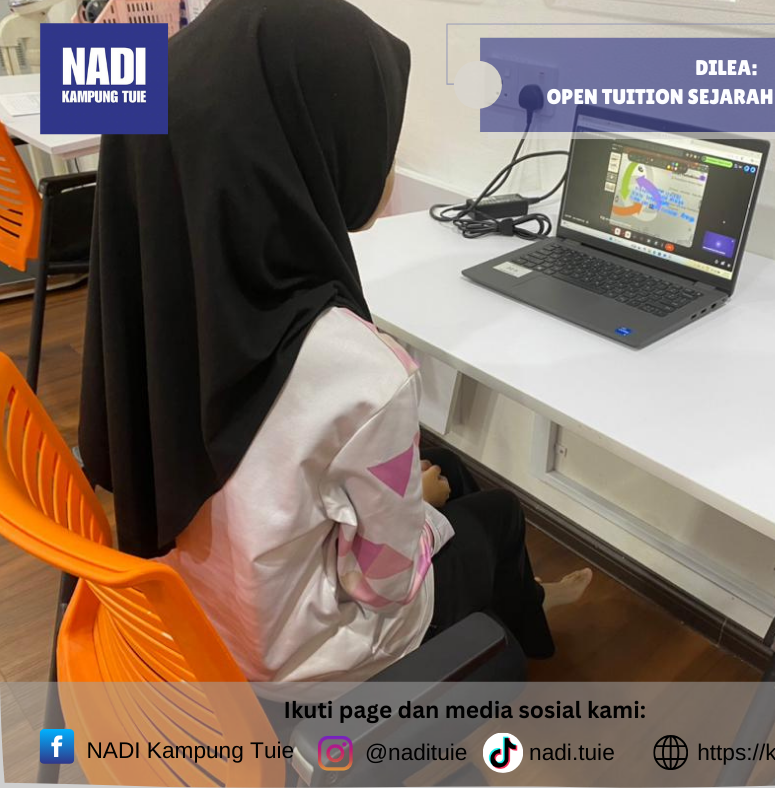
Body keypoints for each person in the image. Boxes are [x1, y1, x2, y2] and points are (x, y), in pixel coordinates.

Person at [79, 0, 591, 684]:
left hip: (186, 606)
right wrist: (426, 514)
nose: (385, 165)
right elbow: (382, 585)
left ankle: (512, 597)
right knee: (496, 512)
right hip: (299, 655)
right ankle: (518, 625)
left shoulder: (152, 292)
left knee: (445, 468)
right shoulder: (361, 373)